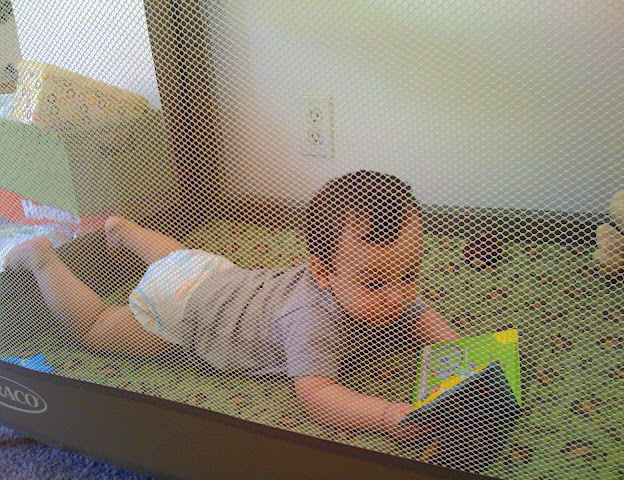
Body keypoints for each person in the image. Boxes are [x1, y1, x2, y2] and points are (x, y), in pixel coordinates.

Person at [3, 170, 458, 441]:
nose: (397, 295)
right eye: (375, 283)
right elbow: (317, 396)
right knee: (96, 326)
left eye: (409, 273)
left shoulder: (380, 289)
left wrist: (464, 351)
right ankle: (42, 260)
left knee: (178, 260)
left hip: (212, 274)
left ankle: (124, 230)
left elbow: (418, 315)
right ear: (323, 273)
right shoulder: (312, 321)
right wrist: (386, 416)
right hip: (182, 312)